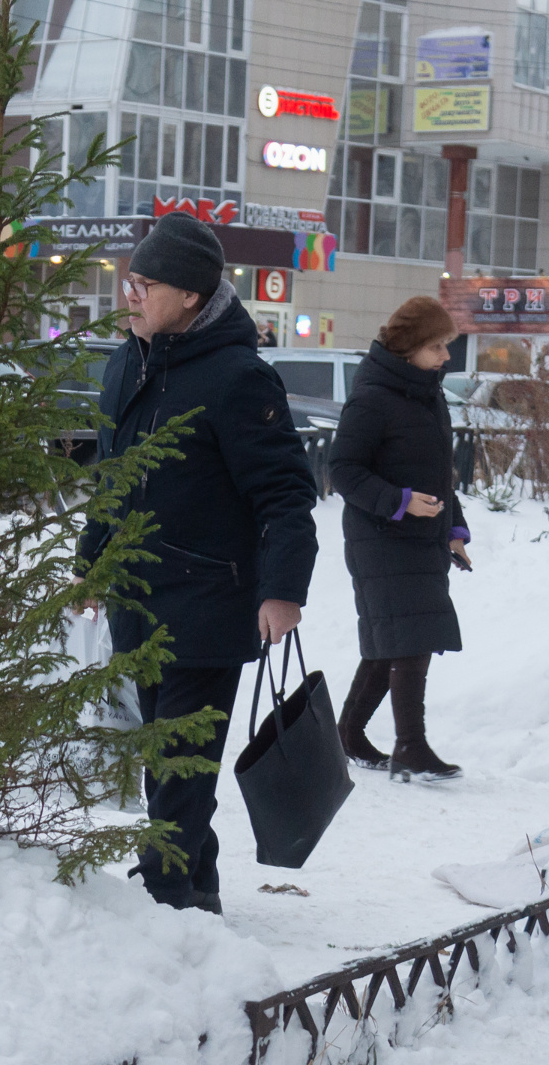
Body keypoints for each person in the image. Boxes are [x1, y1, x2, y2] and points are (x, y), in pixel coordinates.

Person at [79, 213, 318, 912]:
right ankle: (200, 882)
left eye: (144, 284)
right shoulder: (131, 359)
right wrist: (91, 561)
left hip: (208, 604)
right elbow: (113, 475)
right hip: (135, 598)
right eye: (129, 280)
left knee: (180, 766)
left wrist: (282, 592)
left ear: (189, 295)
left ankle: (167, 898)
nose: (129, 294)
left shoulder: (240, 378)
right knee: (164, 761)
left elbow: (286, 495)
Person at [329, 295, 473, 780]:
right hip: (380, 536)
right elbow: (343, 471)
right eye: (437, 347)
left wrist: (453, 527)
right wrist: (399, 501)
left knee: (393, 639)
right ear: (409, 349)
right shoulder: (373, 397)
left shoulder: (427, 395)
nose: (446, 357)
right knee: (410, 638)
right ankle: (410, 745)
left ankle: (347, 733)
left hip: (422, 537)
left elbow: (439, 474)